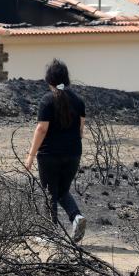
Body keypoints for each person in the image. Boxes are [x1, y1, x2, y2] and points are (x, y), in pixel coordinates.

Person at [24, 58, 87, 243]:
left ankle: (49, 233)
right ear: (66, 79)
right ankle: (76, 217)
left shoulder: (47, 100)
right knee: (61, 190)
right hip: (74, 153)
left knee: (49, 192)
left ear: (49, 80)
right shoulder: (79, 101)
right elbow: (81, 131)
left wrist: (30, 156)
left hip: (50, 155)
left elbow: (41, 129)